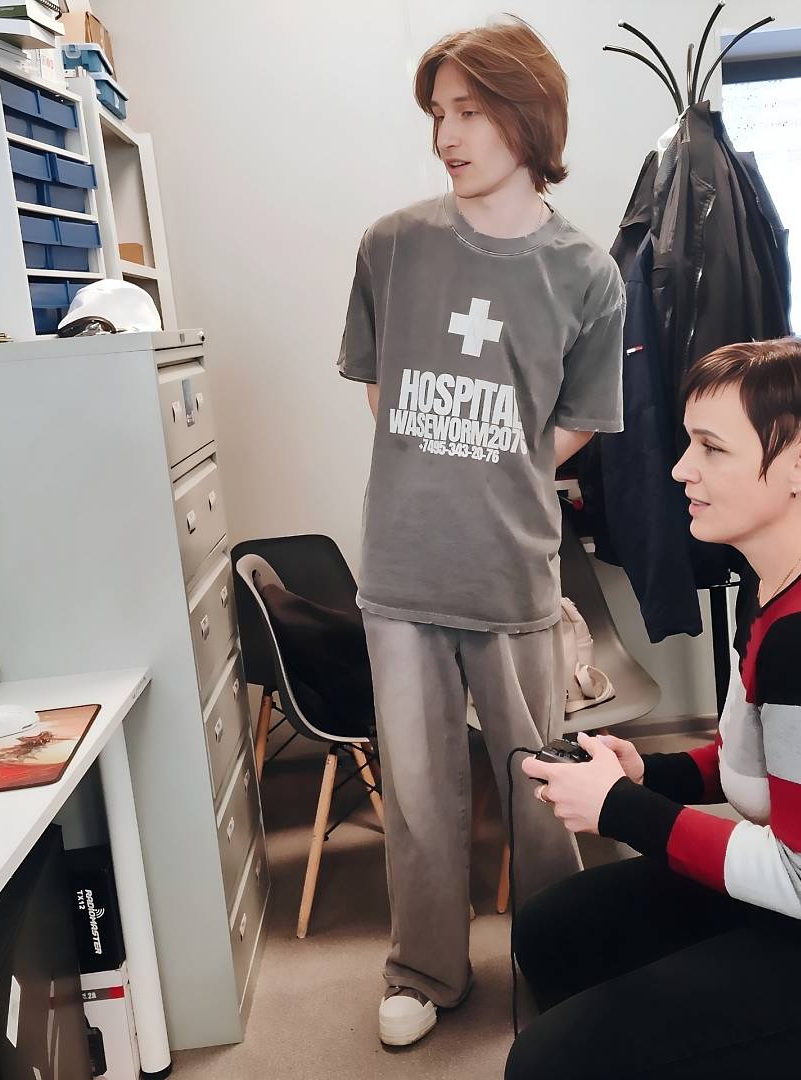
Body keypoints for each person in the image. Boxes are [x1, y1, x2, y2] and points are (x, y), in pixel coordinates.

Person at [512, 337, 801, 1078]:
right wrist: (649, 774)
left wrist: (620, 810)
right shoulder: (774, 582)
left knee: (549, 1062)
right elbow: (780, 752)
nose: (680, 469)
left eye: (711, 448)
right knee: (551, 932)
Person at [336, 18, 625, 1048]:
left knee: (540, 784)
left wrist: (495, 462)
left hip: (511, 570)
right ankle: (425, 969)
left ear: (526, 116)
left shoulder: (585, 273)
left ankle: (554, 955)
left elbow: (580, 420)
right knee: (418, 795)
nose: (445, 136)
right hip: (402, 571)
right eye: (437, 114)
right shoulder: (392, 245)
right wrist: (446, 460)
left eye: (467, 111)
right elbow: (381, 388)